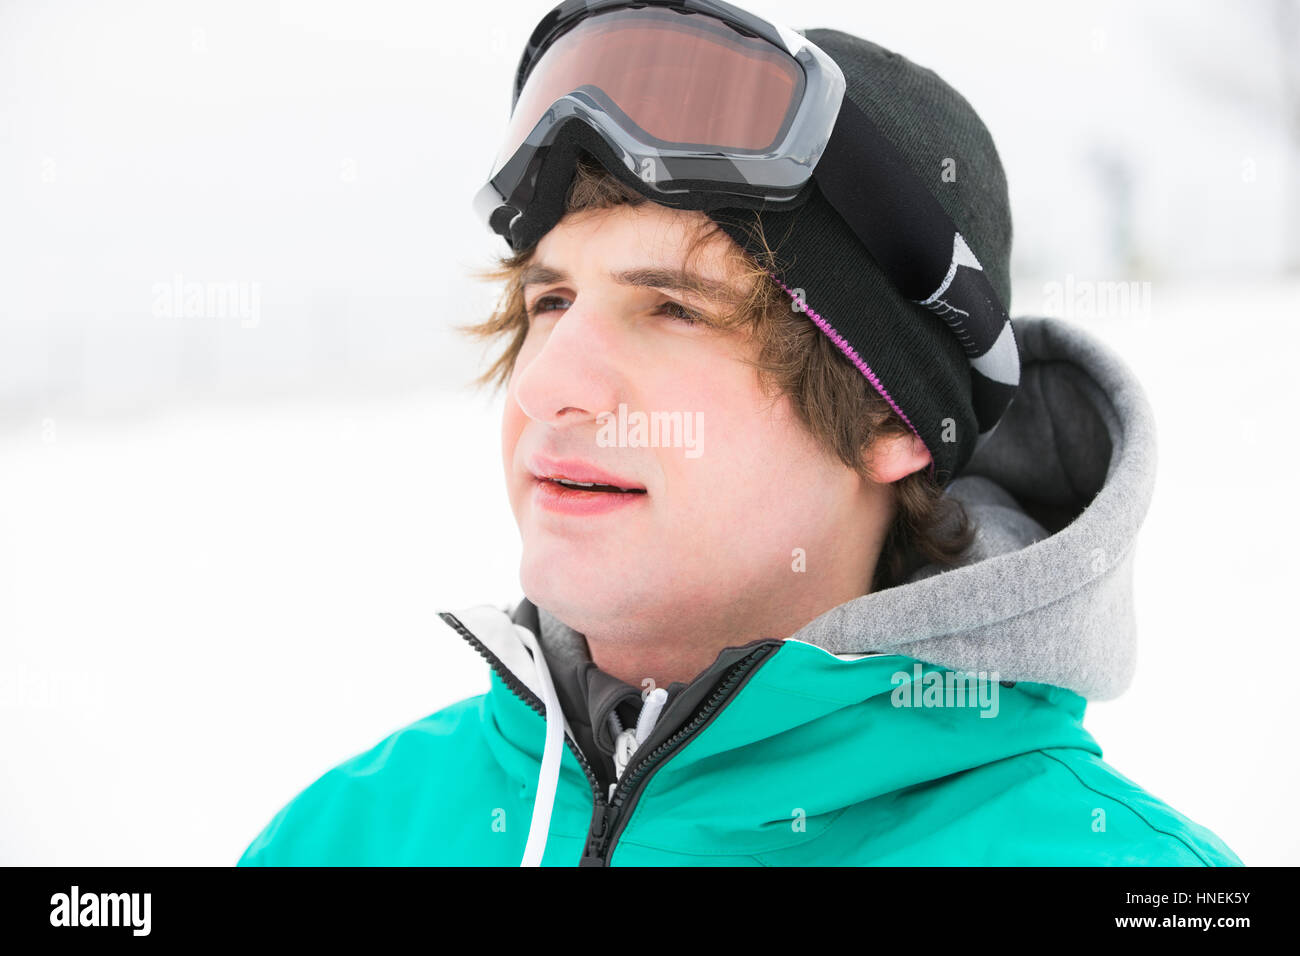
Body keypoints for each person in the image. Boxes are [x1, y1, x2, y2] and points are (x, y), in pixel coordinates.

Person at [237, 0, 1242, 866]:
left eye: (675, 308)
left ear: (888, 415)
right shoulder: (346, 834)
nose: (547, 385)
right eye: (548, 302)